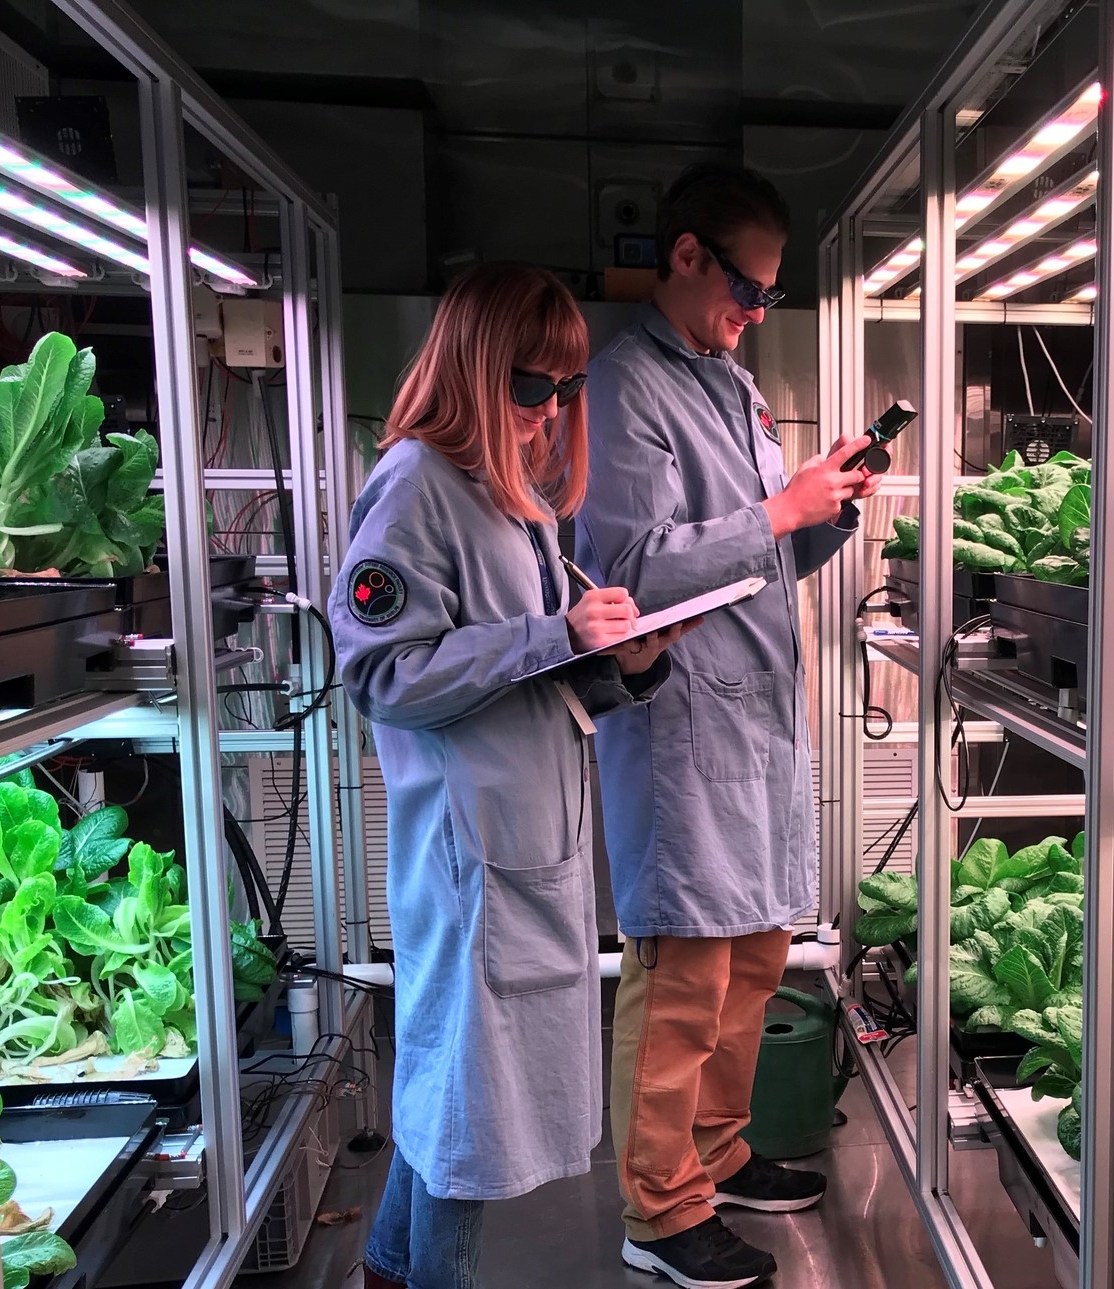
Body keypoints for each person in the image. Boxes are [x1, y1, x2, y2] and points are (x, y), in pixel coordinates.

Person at [333, 261, 693, 1289]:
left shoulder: (516, 501)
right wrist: (550, 635)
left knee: (455, 1089)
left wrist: (623, 664)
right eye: (528, 388)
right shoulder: (415, 484)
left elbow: (538, 678)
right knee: (467, 1117)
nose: (546, 415)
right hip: (468, 857)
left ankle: (391, 1266)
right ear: (470, 369)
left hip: (525, 843)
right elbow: (381, 669)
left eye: (562, 391)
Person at [577, 163, 881, 1289]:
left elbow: (765, 555)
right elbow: (629, 572)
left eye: (768, 299)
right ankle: (655, 1213)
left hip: (754, 726)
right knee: (684, 978)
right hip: (680, 731)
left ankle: (714, 1158)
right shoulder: (623, 390)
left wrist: (823, 513)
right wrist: (774, 510)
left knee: (754, 961)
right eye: (743, 290)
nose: (753, 314)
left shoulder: (729, 385)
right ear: (687, 255)